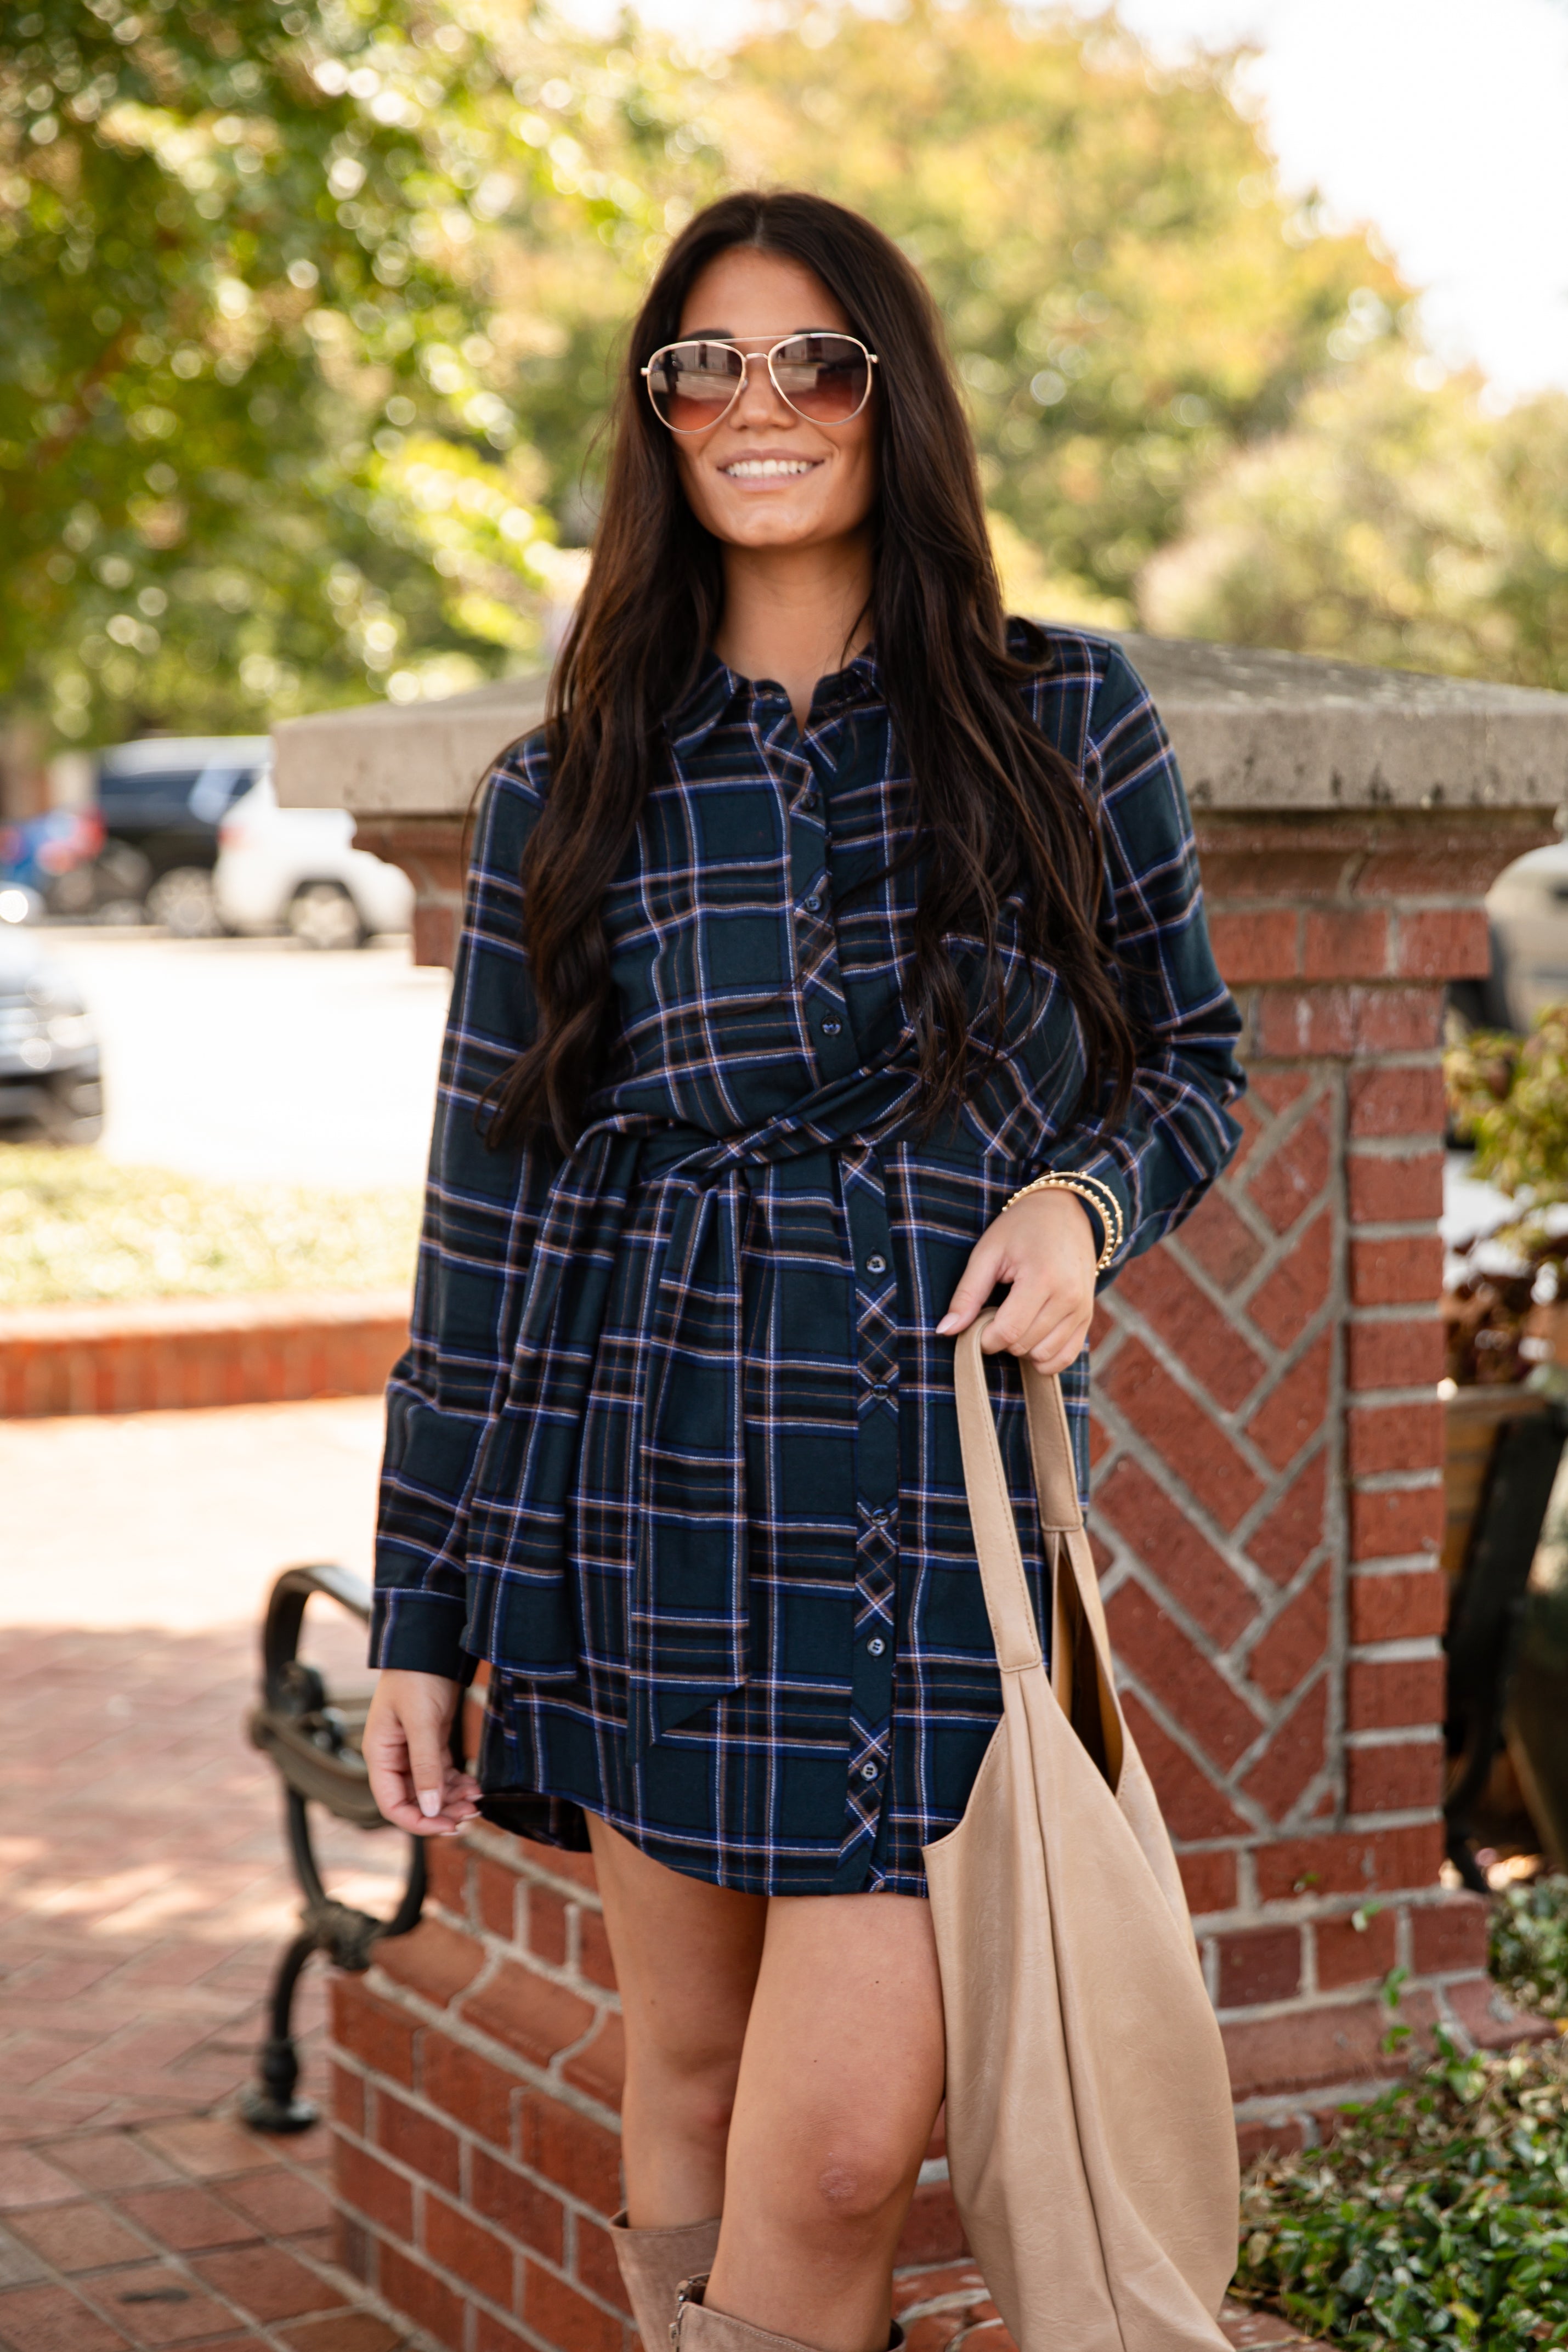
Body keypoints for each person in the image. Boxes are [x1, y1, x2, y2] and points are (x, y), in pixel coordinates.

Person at [362, 189, 1244, 2352]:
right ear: (658, 421)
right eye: (706, 368)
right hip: (641, 1479)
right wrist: (422, 1611)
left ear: (889, 397)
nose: (758, 406)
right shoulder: (565, 787)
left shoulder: (1061, 716)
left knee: (842, 2152)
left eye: (811, 360)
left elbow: (1194, 1061)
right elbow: (483, 1223)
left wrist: (1080, 1206)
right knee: (681, 2079)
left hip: (925, 1504)